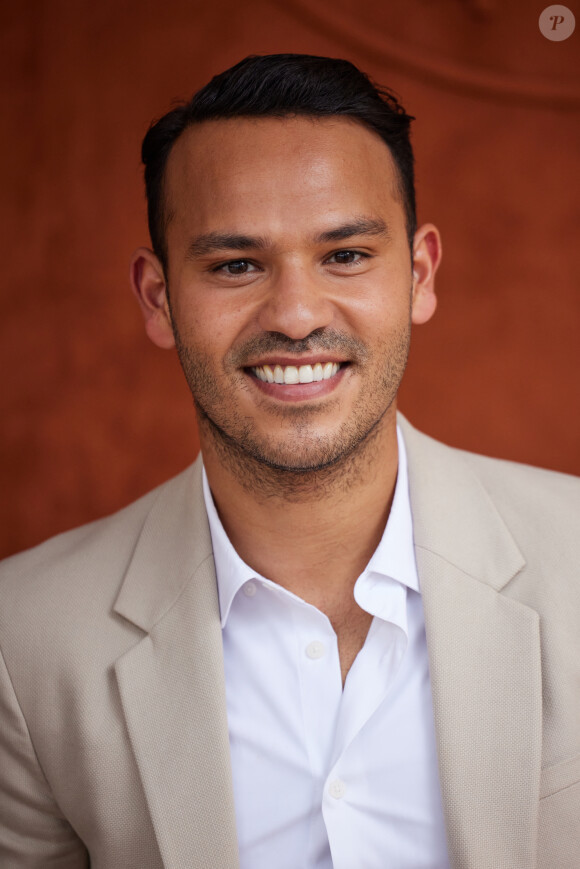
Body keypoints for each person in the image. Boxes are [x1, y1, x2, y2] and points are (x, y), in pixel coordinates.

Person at [0, 53, 578, 869]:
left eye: (345, 255)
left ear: (418, 275)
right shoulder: (21, 641)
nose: (298, 315)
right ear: (158, 299)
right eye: (236, 264)